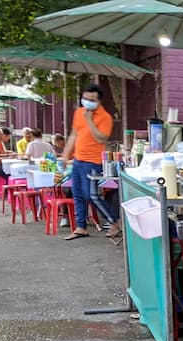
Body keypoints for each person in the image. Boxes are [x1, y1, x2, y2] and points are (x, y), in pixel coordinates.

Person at [61, 84, 113, 241]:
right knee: (77, 194)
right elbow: (73, 135)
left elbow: (101, 138)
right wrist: (65, 155)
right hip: (78, 159)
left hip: (93, 161)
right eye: (85, 98)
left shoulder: (105, 117)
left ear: (99, 101)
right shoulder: (79, 112)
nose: (88, 102)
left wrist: (90, 121)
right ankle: (80, 227)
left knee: (90, 195)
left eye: (92, 99)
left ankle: (114, 221)